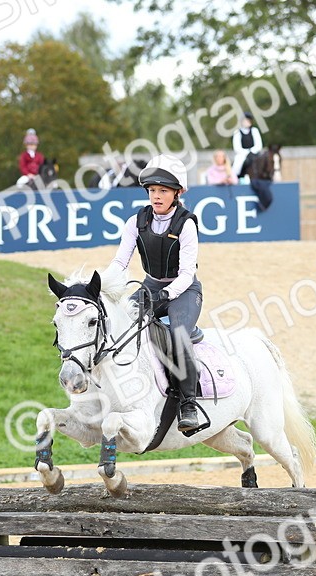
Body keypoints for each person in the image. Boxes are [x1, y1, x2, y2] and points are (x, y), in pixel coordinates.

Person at [106, 153, 204, 433]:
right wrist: (101, 284)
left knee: (178, 336)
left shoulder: (186, 224)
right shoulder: (135, 221)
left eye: (163, 190)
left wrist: (167, 293)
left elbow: (186, 273)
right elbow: (120, 262)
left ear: (178, 192)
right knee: (120, 325)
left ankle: (188, 403)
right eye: (152, 190)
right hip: (149, 286)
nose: (156, 196)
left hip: (184, 290)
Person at [231, 112, 263, 182]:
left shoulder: (255, 130)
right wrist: (246, 152)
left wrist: (251, 151)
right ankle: (235, 178)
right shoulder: (237, 132)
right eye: (245, 120)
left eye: (248, 121)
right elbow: (237, 147)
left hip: (254, 152)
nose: (246, 122)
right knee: (237, 164)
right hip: (242, 154)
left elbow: (258, 145)